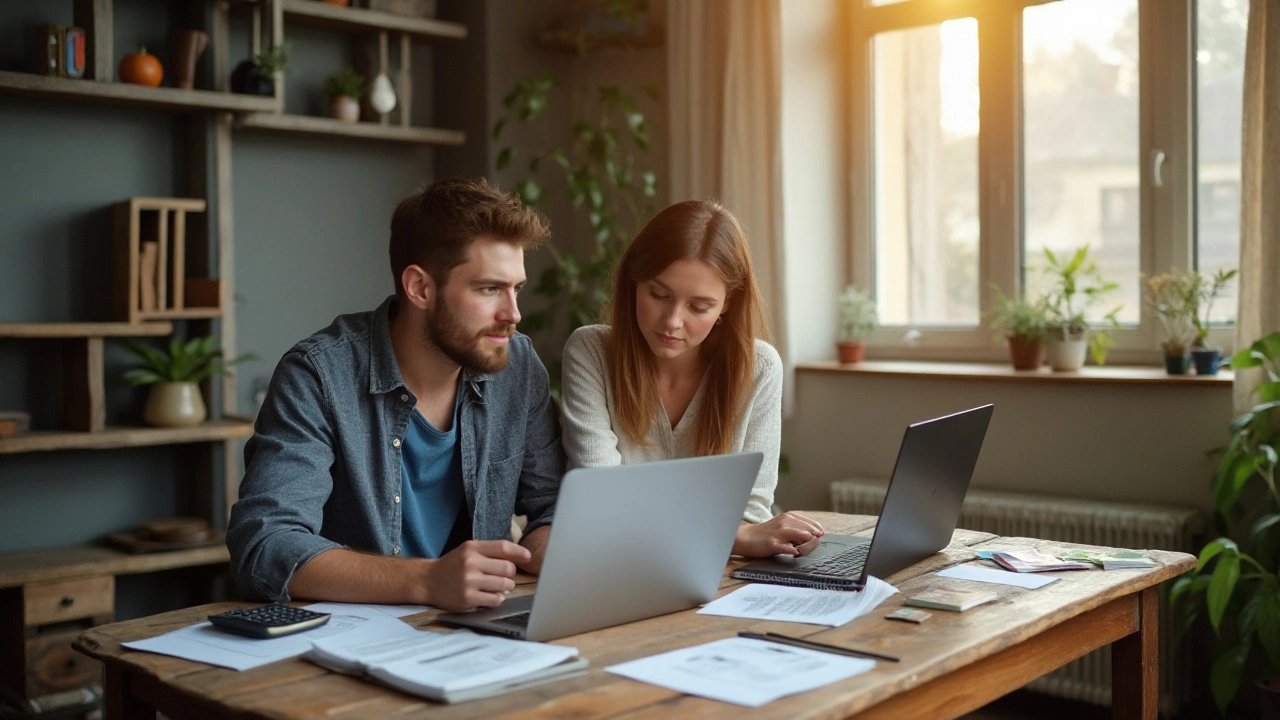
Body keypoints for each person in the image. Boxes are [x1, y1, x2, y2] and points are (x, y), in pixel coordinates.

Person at [227, 178, 565, 611]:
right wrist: (427, 581)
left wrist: (556, 549)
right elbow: (264, 547)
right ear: (420, 288)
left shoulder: (516, 367)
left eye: (515, 288)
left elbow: (552, 508)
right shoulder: (319, 375)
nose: (513, 314)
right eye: (489, 289)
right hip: (348, 642)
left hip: (477, 630)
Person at [559, 199, 825, 558]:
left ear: (727, 303)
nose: (672, 321)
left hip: (721, 576)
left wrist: (743, 534)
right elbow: (602, 502)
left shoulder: (759, 367)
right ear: (634, 282)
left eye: (699, 307)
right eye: (658, 294)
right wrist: (736, 537)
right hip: (615, 566)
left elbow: (751, 514)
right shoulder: (591, 351)